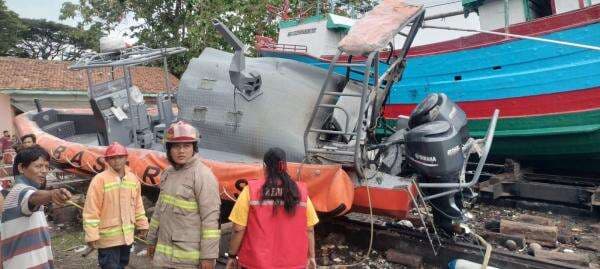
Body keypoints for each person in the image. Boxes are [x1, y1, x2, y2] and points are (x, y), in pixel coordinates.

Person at [226, 147, 318, 269]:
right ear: (285, 166)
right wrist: (311, 256)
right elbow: (309, 229)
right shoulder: (300, 192)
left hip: (255, 263)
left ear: (264, 166)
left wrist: (232, 256)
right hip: (293, 264)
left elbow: (238, 229)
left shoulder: (251, 191)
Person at [147, 121, 221, 269]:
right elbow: (159, 210)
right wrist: (151, 240)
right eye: (176, 146)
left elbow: (211, 220)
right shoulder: (168, 173)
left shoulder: (203, 175)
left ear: (194, 148)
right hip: (163, 258)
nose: (181, 151)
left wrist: (208, 256)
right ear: (169, 149)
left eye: (187, 146)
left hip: (187, 260)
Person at [1, 145, 72, 268]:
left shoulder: (19, 192)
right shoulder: (20, 191)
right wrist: (52, 194)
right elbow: (33, 197)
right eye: (38, 166)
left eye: (46, 166)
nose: (44, 171)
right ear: (21, 168)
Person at [82, 142, 149, 269]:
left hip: (126, 238)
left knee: (122, 265)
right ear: (107, 160)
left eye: (120, 157)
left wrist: (142, 224)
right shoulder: (100, 180)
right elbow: (91, 210)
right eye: (112, 158)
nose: (116, 161)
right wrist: (91, 235)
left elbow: (138, 205)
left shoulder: (133, 180)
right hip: (108, 241)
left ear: (126, 158)